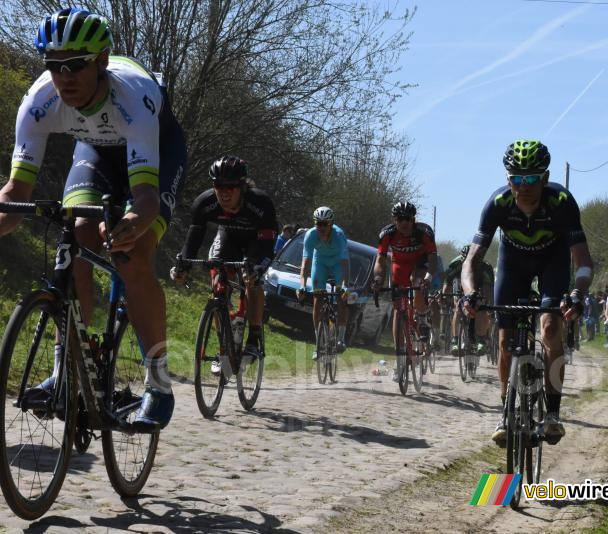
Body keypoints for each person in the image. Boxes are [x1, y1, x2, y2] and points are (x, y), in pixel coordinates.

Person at [0, 8, 186, 430]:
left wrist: (133, 223)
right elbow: (15, 194)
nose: (64, 76)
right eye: (54, 66)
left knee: (133, 254)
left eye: (76, 65)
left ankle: (158, 383)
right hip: (97, 152)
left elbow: (145, 198)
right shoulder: (38, 102)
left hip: (156, 149)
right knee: (76, 234)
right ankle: (66, 371)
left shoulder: (132, 97)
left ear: (101, 61)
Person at [461, 139, 592, 446]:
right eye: (517, 178)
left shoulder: (561, 201)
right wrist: (469, 293)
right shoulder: (498, 203)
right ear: (508, 179)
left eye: (532, 177)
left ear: (544, 178)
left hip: (553, 261)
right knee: (505, 342)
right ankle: (505, 413)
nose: (525, 185)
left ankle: (553, 414)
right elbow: (472, 260)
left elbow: (583, 261)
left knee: (549, 328)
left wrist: (578, 293)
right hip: (513, 262)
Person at [171, 156, 277, 371]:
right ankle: (224, 348)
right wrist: (184, 265)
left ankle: (254, 337)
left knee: (252, 280)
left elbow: (267, 245)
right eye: (219, 185)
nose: (224, 192)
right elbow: (193, 240)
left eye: (231, 186)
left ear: (243, 186)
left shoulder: (260, 203)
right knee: (218, 282)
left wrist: (259, 268)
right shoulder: (205, 202)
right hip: (228, 236)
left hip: (256, 240)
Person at [373, 201, 438, 379]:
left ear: (413, 219)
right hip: (399, 265)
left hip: (420, 263)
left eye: (408, 219)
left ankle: (422, 318)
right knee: (398, 308)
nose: (404, 223)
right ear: (394, 220)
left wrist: (428, 278)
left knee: (416, 280)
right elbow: (380, 260)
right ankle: (399, 354)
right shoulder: (387, 234)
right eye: (400, 219)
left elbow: (433, 259)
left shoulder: (424, 232)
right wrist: (378, 279)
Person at [296, 207, 350, 359]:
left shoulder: (339, 235)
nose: (321, 227)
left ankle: (340, 338)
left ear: (331, 224)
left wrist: (345, 285)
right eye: (318, 224)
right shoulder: (310, 235)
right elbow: (305, 264)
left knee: (341, 297)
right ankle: (318, 343)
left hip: (338, 263)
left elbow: (345, 263)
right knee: (317, 298)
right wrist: (302, 285)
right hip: (320, 262)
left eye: (325, 224)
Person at [444, 245, 495, 354]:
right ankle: (455, 339)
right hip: (461, 284)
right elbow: (447, 282)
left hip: (479, 286)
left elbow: (488, 289)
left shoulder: (485, 267)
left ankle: (481, 338)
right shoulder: (456, 265)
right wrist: (444, 296)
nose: (471, 264)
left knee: (481, 306)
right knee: (457, 308)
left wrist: (484, 302)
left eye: (474, 262)